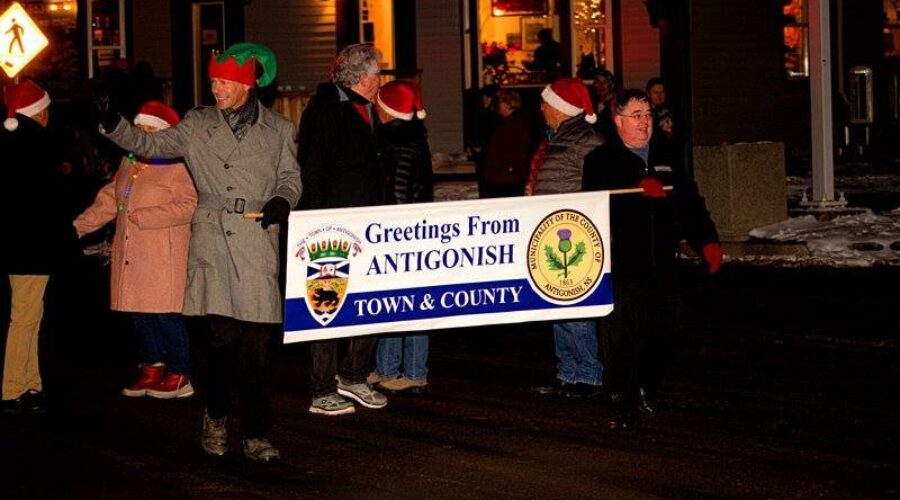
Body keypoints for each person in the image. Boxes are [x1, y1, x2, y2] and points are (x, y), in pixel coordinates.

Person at [98, 42, 301, 463]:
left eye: (224, 81)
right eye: (213, 81)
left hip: (256, 240)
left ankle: (257, 433)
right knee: (220, 342)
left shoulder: (279, 129)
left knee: (259, 348)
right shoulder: (196, 124)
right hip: (211, 240)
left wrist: (283, 199)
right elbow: (149, 145)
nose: (217, 88)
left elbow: (290, 177)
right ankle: (215, 415)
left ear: (247, 84)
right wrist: (113, 122)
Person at [582, 88, 722, 430]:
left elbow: (690, 203)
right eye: (636, 116)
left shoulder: (668, 156)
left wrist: (707, 242)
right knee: (622, 337)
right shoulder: (600, 161)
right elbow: (592, 212)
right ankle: (621, 399)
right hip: (622, 265)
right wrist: (637, 192)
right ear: (617, 120)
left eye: (648, 116)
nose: (645, 123)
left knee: (665, 330)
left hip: (662, 262)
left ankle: (646, 384)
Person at [74, 101, 197, 400]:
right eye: (137, 128)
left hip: (162, 252)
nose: (139, 134)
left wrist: (147, 217)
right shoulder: (130, 162)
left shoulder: (177, 163)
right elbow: (110, 199)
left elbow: (190, 204)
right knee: (140, 313)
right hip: (133, 253)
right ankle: (152, 366)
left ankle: (180, 373)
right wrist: (79, 226)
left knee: (166, 314)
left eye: (146, 129)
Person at [297, 43, 389, 415]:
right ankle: (321, 389)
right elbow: (312, 166)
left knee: (371, 300)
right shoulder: (326, 110)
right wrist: (316, 222)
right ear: (364, 77)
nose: (381, 78)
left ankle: (353, 375)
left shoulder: (365, 108)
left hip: (368, 223)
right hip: (331, 223)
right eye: (378, 72)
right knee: (327, 300)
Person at [0, 80, 80, 415]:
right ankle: (12, 388)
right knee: (25, 317)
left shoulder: (12, 143)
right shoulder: (40, 147)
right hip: (33, 246)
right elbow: (52, 202)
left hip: (17, 243)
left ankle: (30, 382)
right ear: (41, 112)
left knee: (30, 314)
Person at [526, 78, 605, 399]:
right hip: (552, 230)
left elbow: (599, 183)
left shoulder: (584, 139)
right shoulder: (559, 137)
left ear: (560, 107)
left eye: (546, 102)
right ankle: (568, 372)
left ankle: (589, 374)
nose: (542, 108)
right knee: (558, 304)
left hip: (575, 233)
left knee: (576, 306)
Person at [366, 79, 434, 393]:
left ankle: (414, 371)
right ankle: (388, 366)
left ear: (390, 110)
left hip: (403, 232)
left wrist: (389, 228)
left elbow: (399, 191)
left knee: (410, 302)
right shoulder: (406, 138)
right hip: (407, 228)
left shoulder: (398, 143)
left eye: (379, 103)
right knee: (393, 301)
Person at [479, 89, 541, 198]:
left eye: (501, 102)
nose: (499, 105)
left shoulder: (516, 124)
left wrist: (510, 168)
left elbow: (518, 150)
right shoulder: (503, 122)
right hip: (500, 175)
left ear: (509, 104)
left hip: (507, 177)